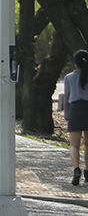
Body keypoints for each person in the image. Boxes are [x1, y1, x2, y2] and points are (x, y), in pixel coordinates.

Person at [64, 49, 88, 186]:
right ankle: (87, 172)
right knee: (87, 144)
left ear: (75, 63)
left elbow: (66, 97)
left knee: (74, 145)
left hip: (75, 110)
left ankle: (76, 169)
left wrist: (67, 114)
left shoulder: (69, 77)